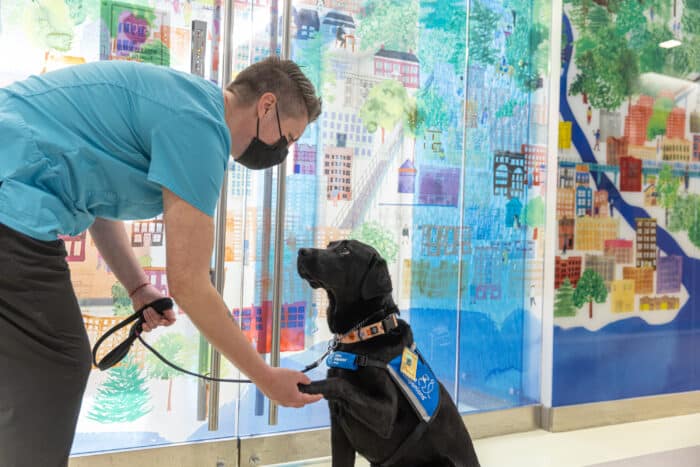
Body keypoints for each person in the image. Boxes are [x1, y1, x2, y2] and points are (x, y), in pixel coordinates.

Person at [0, 56, 323, 466]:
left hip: (12, 187)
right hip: (11, 202)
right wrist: (264, 377)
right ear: (265, 105)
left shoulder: (186, 102)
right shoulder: (202, 129)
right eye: (288, 137)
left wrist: (138, 288)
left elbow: (98, 204)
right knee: (57, 362)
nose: (283, 151)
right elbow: (189, 283)